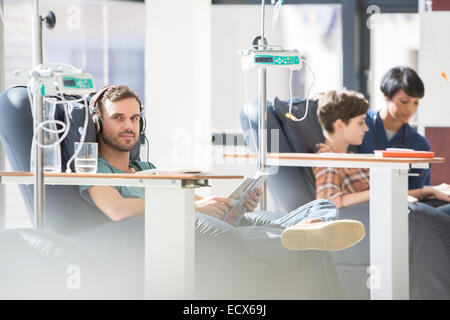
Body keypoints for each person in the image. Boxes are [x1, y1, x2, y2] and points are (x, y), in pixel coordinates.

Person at [78, 85, 366, 299]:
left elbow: (188, 197)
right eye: (118, 118)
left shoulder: (146, 166)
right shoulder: (94, 168)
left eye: (135, 118)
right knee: (311, 248)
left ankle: (310, 225)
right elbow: (116, 210)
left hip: (205, 221)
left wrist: (229, 202)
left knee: (323, 204)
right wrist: (195, 210)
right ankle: (301, 234)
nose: (129, 126)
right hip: (186, 236)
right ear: (98, 122)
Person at [314, 89, 450, 214]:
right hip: (385, 218)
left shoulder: (349, 157)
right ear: (339, 125)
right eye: (361, 122)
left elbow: (384, 193)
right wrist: (379, 192)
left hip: (396, 210)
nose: (366, 128)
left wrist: (427, 191)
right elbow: (328, 202)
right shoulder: (328, 159)